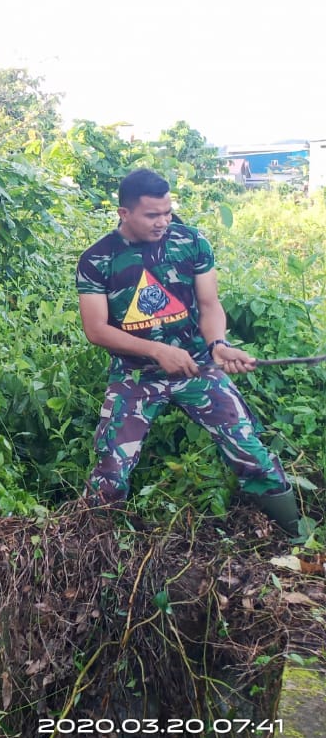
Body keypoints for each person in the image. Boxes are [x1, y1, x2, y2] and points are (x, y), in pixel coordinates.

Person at [76, 168, 309, 540]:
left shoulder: (190, 242)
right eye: (153, 215)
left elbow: (209, 304)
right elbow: (96, 329)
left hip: (198, 368)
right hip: (136, 375)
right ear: (124, 213)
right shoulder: (98, 259)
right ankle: (92, 548)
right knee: (110, 470)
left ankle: (298, 540)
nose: (163, 222)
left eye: (168, 211)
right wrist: (156, 351)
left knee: (250, 451)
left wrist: (219, 345)